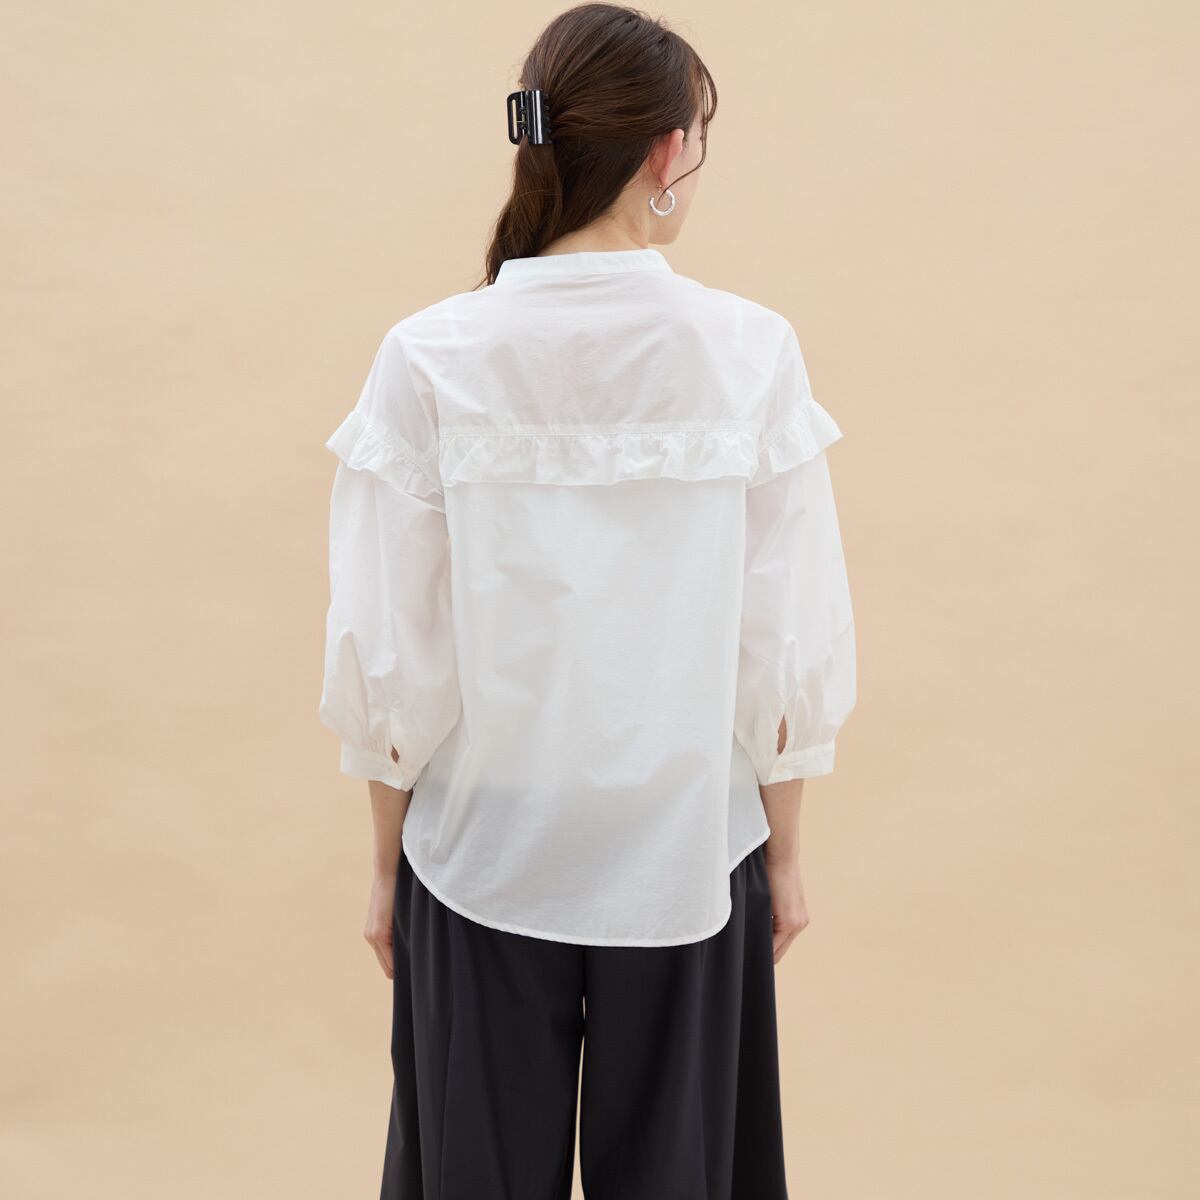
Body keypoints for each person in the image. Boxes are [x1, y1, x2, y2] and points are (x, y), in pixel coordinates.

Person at [317, 4, 857, 1197]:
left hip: (481, 847)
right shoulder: (749, 350)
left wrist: (385, 866)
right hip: (687, 845)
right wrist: (784, 853)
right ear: (669, 150)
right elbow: (782, 637)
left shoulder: (428, 353)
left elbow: (392, 649)